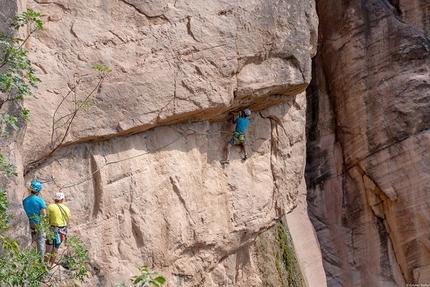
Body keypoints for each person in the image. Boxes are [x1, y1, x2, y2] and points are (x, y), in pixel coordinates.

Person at [45, 192, 71, 265]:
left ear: (55, 199)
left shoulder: (50, 207)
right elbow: (67, 222)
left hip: (52, 230)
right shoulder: (67, 209)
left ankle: (43, 268)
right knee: (55, 250)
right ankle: (49, 268)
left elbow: (47, 220)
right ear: (62, 200)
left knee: (48, 250)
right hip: (62, 232)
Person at [22, 181, 46, 257]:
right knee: (40, 241)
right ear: (38, 191)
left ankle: (29, 258)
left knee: (29, 240)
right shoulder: (39, 200)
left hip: (28, 222)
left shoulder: (25, 200)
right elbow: (44, 214)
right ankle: (40, 262)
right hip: (37, 222)